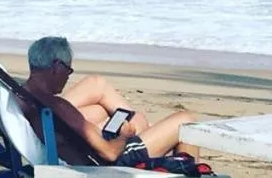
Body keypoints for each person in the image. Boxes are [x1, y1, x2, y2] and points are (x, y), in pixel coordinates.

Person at [23, 36, 199, 166]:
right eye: (68, 70)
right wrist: (124, 137)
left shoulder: (24, 97)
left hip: (78, 155)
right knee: (186, 121)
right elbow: (110, 153)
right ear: (56, 67)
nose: (68, 77)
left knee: (110, 114)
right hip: (104, 166)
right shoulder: (58, 106)